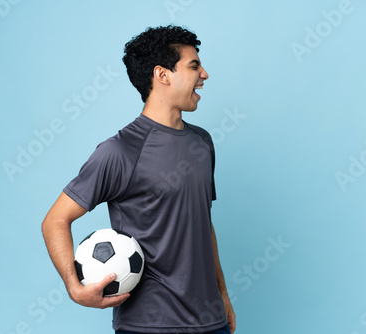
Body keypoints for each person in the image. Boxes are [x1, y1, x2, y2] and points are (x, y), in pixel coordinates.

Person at [41, 25, 236, 334]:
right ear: (163, 75)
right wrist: (74, 287)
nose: (205, 74)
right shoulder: (120, 151)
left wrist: (223, 294)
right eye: (194, 66)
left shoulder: (203, 142)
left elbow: (202, 224)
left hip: (212, 322)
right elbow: (55, 221)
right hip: (148, 325)